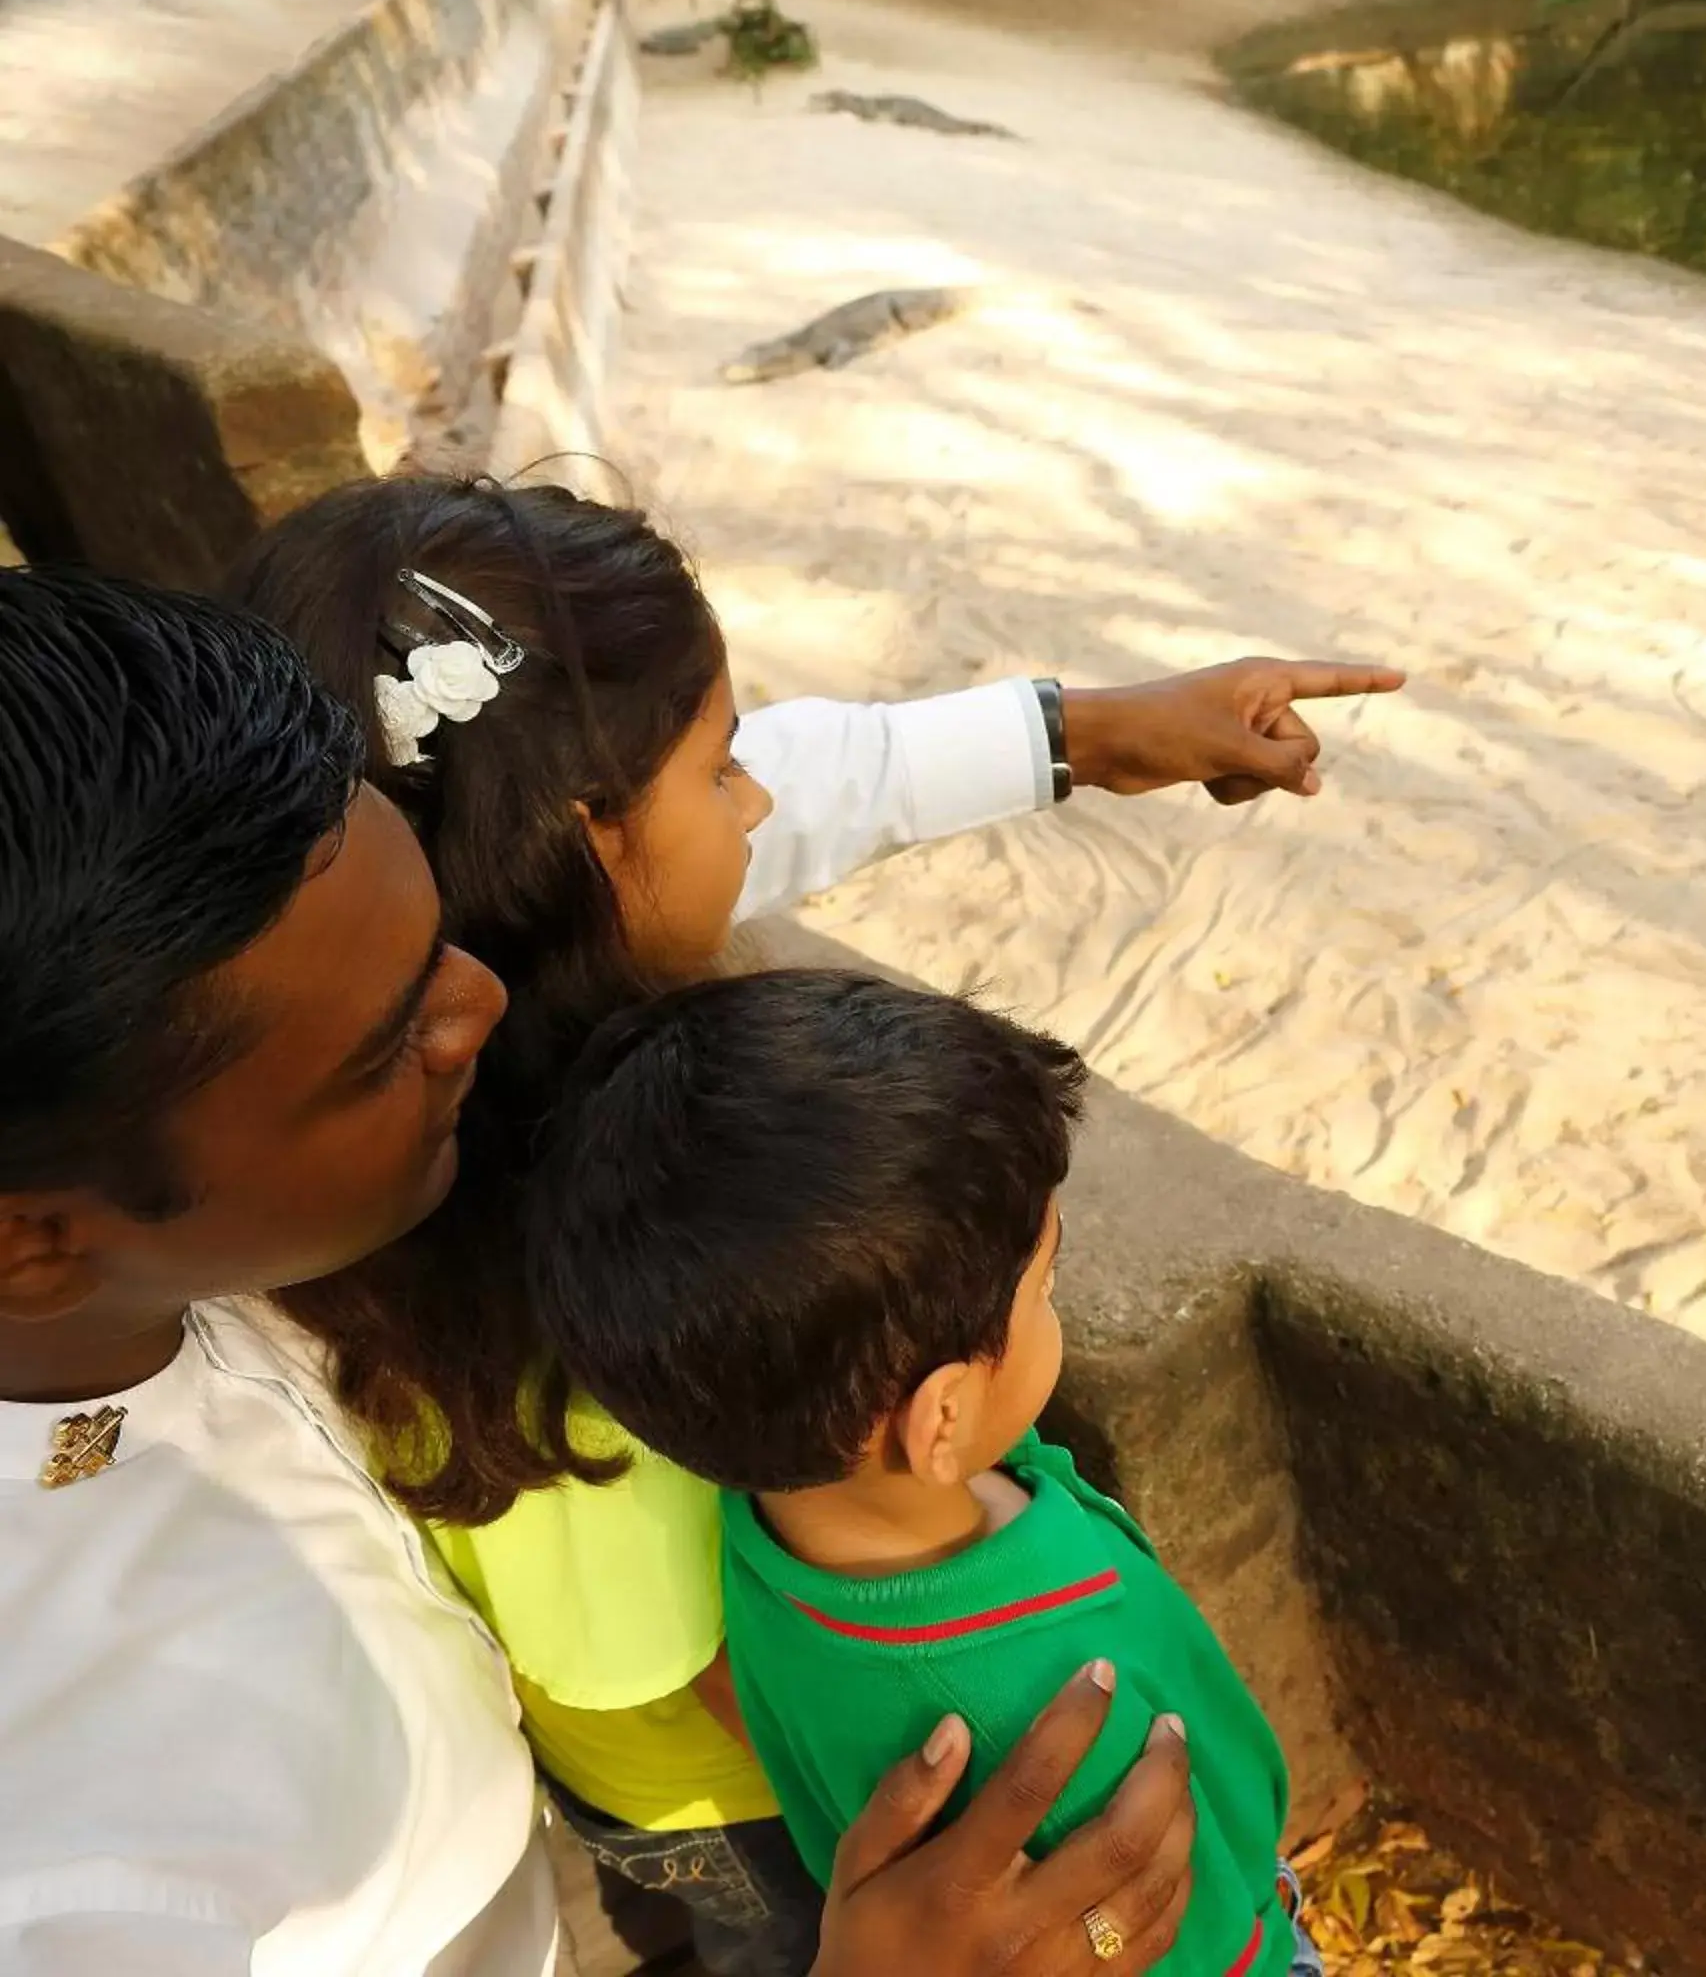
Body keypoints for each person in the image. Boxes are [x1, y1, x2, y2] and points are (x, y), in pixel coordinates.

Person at [219, 472, 1398, 1973]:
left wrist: (1080, 731)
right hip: (775, 1814)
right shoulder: (595, 1292)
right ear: (582, 848)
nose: (761, 796)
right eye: (721, 772)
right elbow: (654, 1657)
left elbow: (784, 792)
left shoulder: (438, 996)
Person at [0, 565, 1201, 1974]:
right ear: (32, 1240)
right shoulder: (107, 1854)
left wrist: (1059, 734)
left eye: (442, 929)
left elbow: (641, 835)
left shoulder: (216, 1220)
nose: (487, 1004)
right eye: (389, 1042)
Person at [527, 972, 1315, 1977]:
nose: (1054, 1306)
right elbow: (1147, 1928)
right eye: (1047, 1286)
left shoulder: (771, 1504)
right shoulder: (1054, 1715)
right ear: (940, 1416)